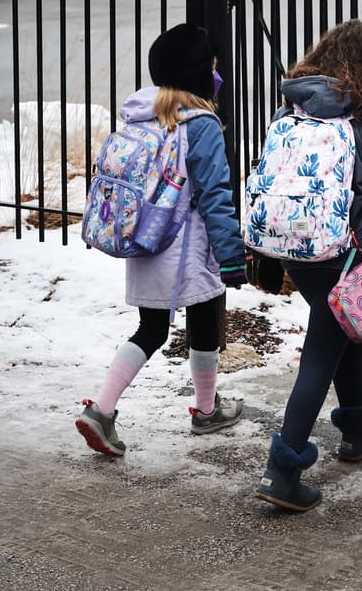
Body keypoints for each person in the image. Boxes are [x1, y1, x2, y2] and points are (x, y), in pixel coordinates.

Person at [252, 20, 362, 513]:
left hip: (297, 251)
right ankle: (282, 470)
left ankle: (358, 430)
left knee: (342, 328)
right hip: (348, 254)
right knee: (322, 351)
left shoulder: (297, 111)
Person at [76, 24, 248, 458]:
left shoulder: (143, 114)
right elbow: (215, 196)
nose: (216, 74)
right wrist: (231, 257)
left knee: (151, 328)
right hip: (187, 248)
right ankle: (204, 410)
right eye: (211, 67)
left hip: (147, 243)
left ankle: (103, 406)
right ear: (198, 74)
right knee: (205, 317)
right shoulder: (201, 125)